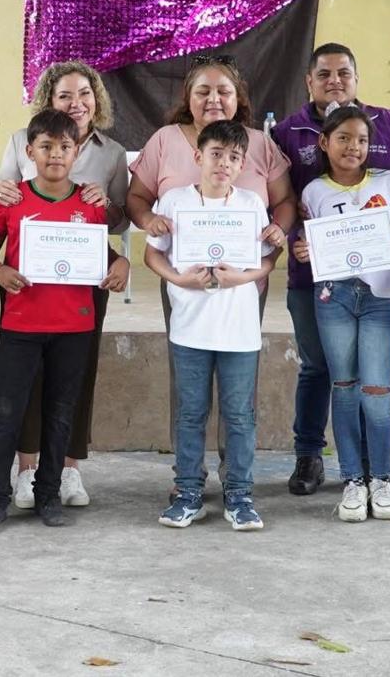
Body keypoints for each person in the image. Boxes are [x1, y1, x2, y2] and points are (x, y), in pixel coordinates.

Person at [126, 56, 292, 490]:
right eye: (203, 91)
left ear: (238, 99)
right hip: (185, 283)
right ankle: (188, 476)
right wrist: (149, 222)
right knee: (188, 381)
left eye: (224, 91)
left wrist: (278, 229)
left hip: (243, 287)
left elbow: (284, 201)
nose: (214, 99)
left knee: (239, 387)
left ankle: (235, 477)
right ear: (188, 97)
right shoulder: (165, 140)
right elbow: (137, 197)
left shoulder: (259, 144)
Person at [272, 43, 390, 496]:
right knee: (317, 368)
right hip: (314, 276)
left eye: (344, 73)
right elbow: (277, 194)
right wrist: (293, 240)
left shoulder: (387, 122)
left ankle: (367, 465)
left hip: (374, 280)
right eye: (324, 74)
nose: (334, 81)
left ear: (357, 79)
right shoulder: (286, 131)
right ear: (309, 81)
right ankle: (309, 455)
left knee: (367, 377)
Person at [0, 110, 130, 535]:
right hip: (22, 325)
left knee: (61, 413)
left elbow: (100, 252)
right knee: (7, 414)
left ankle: (48, 494)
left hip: (73, 327)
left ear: (76, 153)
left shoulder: (90, 205)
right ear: (30, 151)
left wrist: (122, 263)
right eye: (46, 146)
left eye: (64, 147)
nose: (55, 154)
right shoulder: (13, 200)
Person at [145, 120, 275, 530]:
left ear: (243, 165)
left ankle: (239, 495)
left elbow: (267, 259)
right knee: (190, 414)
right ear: (198, 156)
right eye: (216, 154)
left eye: (234, 157)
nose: (224, 163)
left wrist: (242, 278)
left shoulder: (251, 204)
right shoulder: (174, 201)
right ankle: (187, 494)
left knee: (239, 416)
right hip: (189, 327)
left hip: (239, 329)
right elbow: (153, 254)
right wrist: (179, 279)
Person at [291, 107, 390, 522]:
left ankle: (380, 477)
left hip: (379, 297)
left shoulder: (389, 182)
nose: (353, 147)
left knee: (376, 391)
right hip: (334, 297)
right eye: (343, 138)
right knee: (343, 387)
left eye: (361, 140)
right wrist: (303, 250)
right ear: (324, 143)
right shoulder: (313, 192)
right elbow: (309, 242)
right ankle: (352, 480)